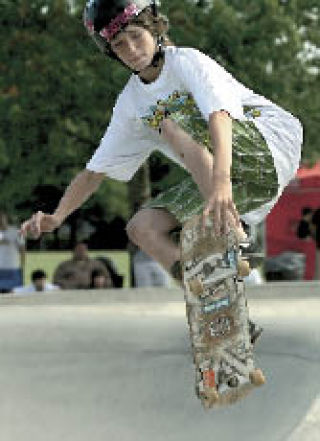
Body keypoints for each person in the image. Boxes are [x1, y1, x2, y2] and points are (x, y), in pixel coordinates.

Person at [20, 1, 303, 338]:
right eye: (119, 45)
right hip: (226, 179)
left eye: (136, 37)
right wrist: (57, 216)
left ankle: (231, 235)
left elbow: (219, 117)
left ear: (154, 29)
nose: (131, 50)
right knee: (142, 227)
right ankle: (214, 302)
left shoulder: (187, 62)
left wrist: (221, 180)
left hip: (269, 145)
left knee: (169, 123)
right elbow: (94, 172)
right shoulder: (130, 104)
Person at [0, 211, 25, 293]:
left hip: (13, 267)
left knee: (14, 292)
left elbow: (22, 249)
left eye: (2, 218)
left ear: (6, 219)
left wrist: (22, 266)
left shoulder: (16, 232)